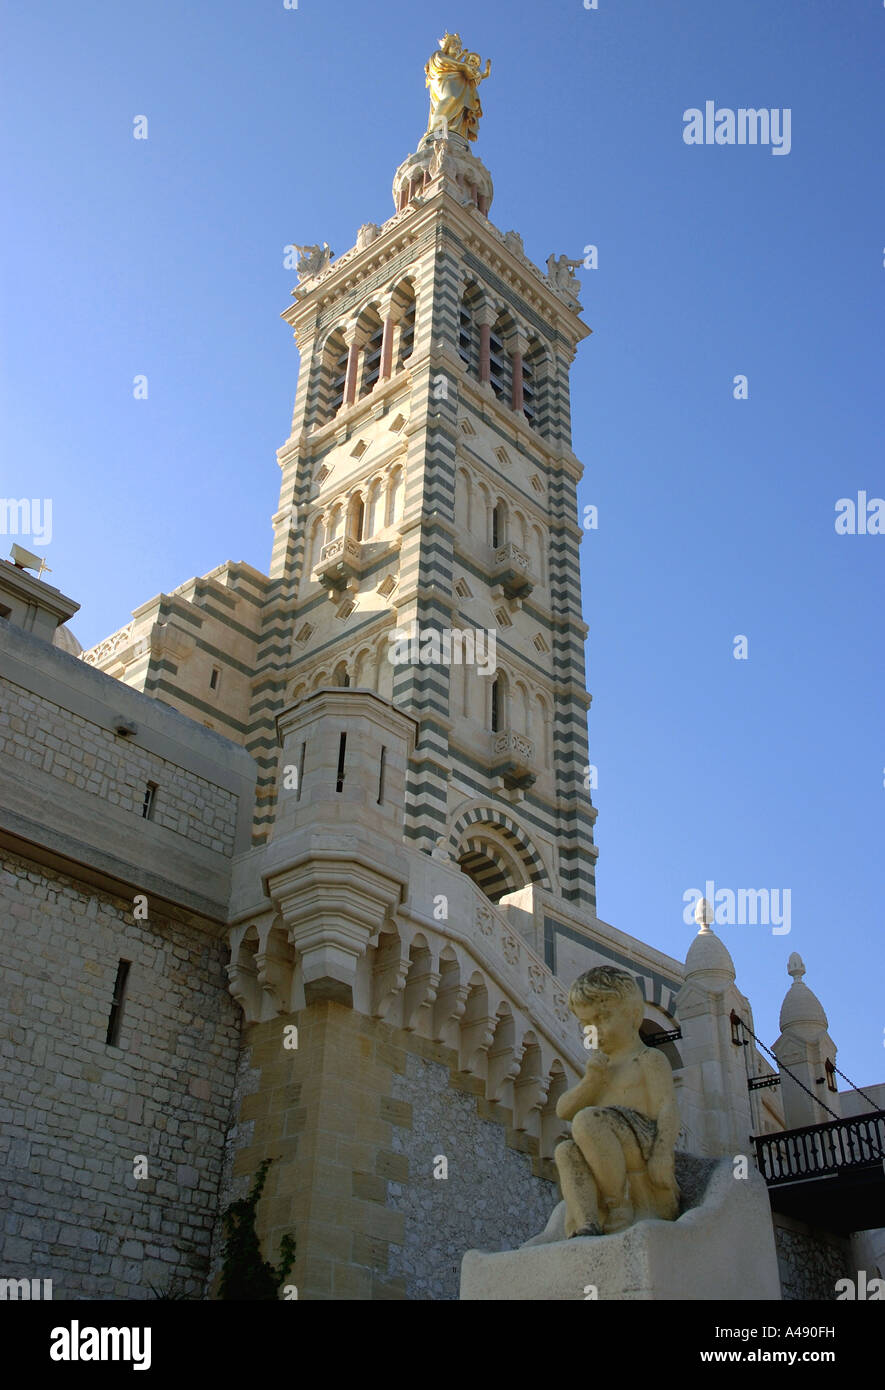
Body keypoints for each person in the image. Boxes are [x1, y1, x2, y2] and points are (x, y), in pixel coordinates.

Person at [554, 966, 681, 1236]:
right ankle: (587, 1223)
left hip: (642, 1143)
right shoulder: (599, 1070)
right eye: (586, 1024)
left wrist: (662, 1153)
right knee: (565, 1152)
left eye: (602, 1019)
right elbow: (562, 1110)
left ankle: (619, 1205)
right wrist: (591, 1082)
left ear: (634, 1015)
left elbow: (667, 1107)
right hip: (606, 1142)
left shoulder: (648, 1059)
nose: (594, 1031)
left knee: (586, 1120)